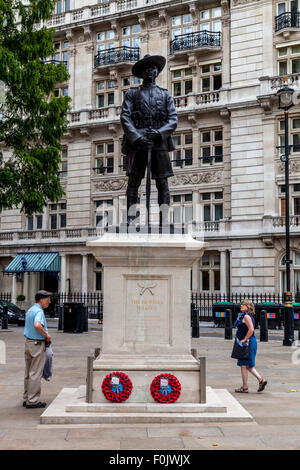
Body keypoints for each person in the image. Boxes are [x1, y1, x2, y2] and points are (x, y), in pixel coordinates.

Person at [120, 54, 178, 223]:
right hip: (137, 143)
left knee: (162, 182)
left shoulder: (165, 95)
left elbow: (173, 119)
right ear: (142, 73)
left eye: (153, 68)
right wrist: (137, 138)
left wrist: (160, 133)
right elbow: (125, 117)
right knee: (134, 181)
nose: (150, 71)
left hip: (159, 142)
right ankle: (131, 218)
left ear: (157, 72)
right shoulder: (132, 93)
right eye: (147, 69)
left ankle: (164, 219)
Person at [23, 290, 52, 408]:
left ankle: (26, 398)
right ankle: (33, 400)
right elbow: (37, 325)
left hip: (28, 343)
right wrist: (46, 335)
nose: (49, 302)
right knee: (35, 373)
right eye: (48, 299)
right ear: (41, 299)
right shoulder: (39, 311)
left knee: (28, 373)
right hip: (37, 344)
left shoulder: (30, 310)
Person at [234, 299, 267, 393]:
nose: (241, 306)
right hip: (248, 342)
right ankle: (249, 385)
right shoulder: (245, 316)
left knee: (245, 365)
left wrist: (244, 339)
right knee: (245, 365)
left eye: (243, 304)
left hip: (248, 343)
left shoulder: (247, 317)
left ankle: (257, 381)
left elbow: (251, 329)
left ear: (247, 306)